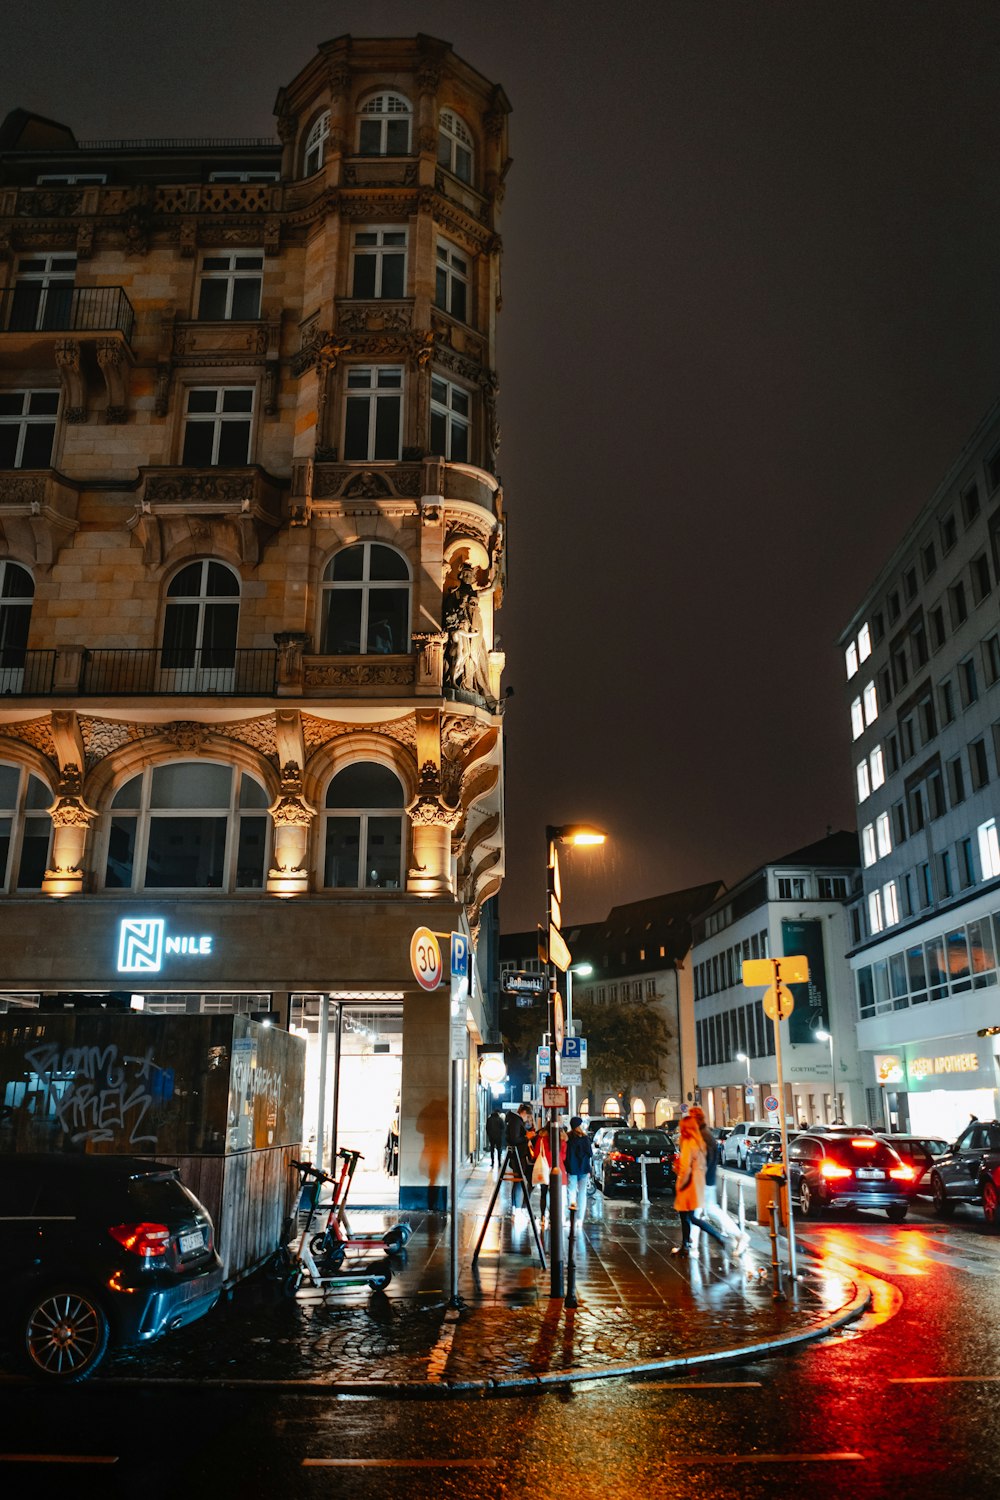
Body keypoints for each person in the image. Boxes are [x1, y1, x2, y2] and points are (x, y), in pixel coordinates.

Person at [690, 1105, 747, 1256]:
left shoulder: (703, 1137)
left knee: (700, 1212)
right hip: (706, 1180)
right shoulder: (705, 1135)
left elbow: (703, 1161)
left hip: (703, 1181)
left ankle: (739, 1235)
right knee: (704, 1211)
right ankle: (691, 1243)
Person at [672, 1113, 728, 1256]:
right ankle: (685, 1246)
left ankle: (717, 1236)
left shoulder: (688, 1142)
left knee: (690, 1217)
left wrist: (681, 1183)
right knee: (686, 1216)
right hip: (697, 1181)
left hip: (689, 1183)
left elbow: (685, 1167)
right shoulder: (698, 1141)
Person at [564, 1116, 594, 1222]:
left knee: (571, 1192)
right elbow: (590, 1153)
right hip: (583, 1168)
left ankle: (572, 1216)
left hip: (572, 1168)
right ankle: (580, 1219)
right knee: (582, 1193)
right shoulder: (585, 1139)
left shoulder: (568, 1138)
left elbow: (565, 1154)